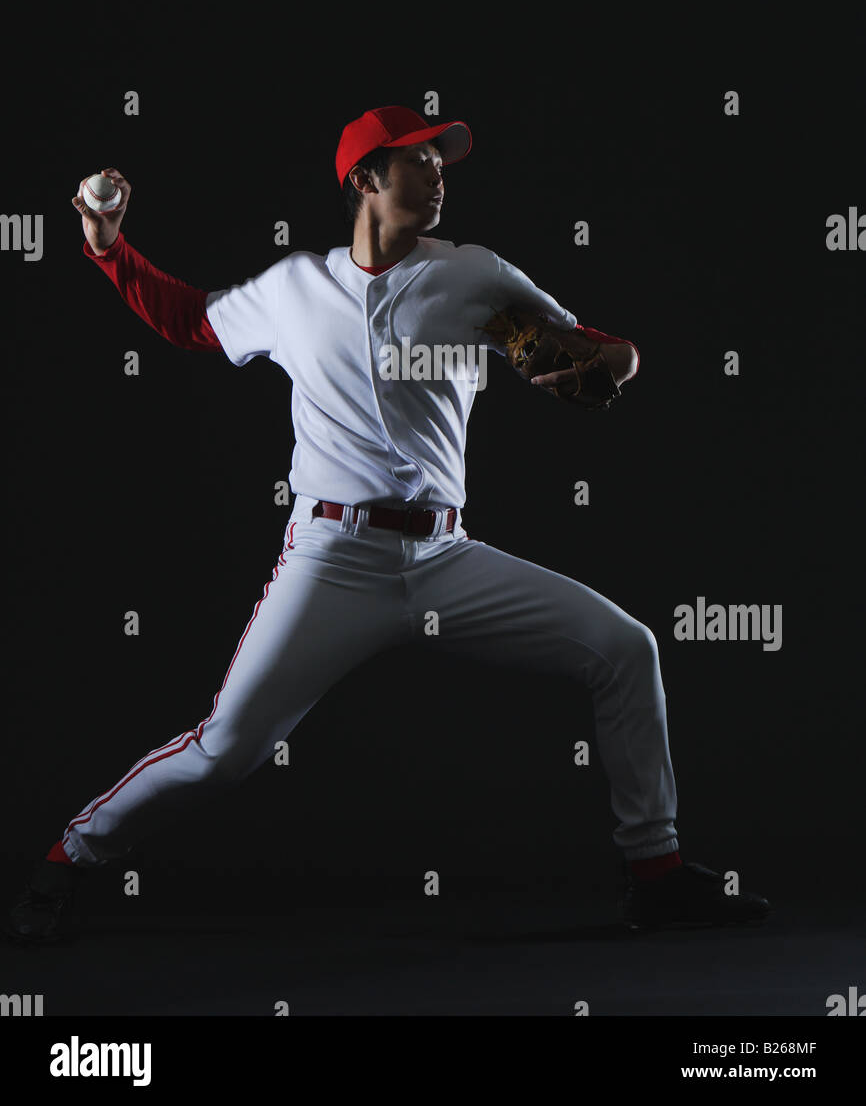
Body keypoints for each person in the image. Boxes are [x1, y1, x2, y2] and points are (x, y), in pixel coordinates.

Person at [6, 105, 769, 945]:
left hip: (446, 556)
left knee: (627, 647)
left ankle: (656, 876)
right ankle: (69, 856)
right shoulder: (293, 287)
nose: (441, 173)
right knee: (226, 747)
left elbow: (606, 347)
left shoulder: (475, 274)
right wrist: (111, 247)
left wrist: (597, 366)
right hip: (333, 558)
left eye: (444, 162)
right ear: (366, 179)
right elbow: (189, 319)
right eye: (422, 160)